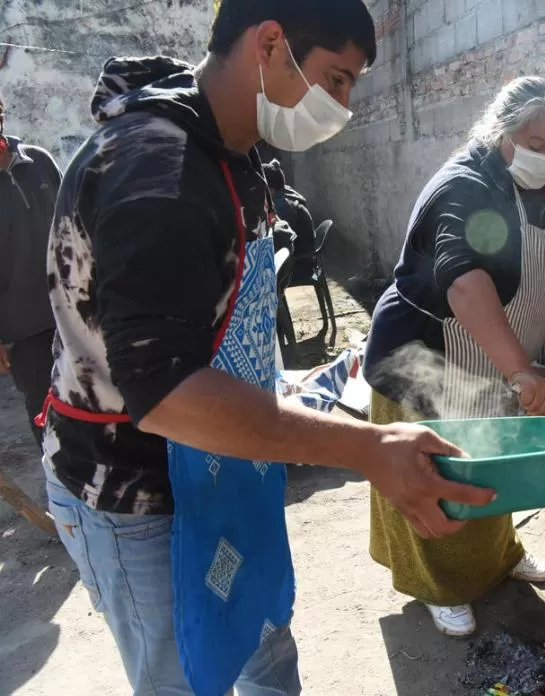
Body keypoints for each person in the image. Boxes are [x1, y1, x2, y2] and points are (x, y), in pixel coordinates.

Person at [38, 1, 492, 694]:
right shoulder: (156, 172)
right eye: (335, 79)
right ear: (272, 43)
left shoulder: (230, 148)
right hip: (142, 498)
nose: (341, 106)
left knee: (261, 646)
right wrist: (366, 447)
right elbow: (164, 394)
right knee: (188, 675)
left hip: (227, 470)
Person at [363, 76, 545, 637]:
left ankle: (501, 557)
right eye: (536, 141)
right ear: (502, 130)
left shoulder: (531, 188)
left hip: (491, 354)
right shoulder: (464, 188)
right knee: (436, 473)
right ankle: (437, 588)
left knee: (494, 465)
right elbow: (465, 286)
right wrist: (521, 371)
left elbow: (526, 271)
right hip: (426, 356)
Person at [0, 92, 61, 448]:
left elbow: (74, 220)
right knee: (45, 413)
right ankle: (59, 488)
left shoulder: (39, 161)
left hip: (71, 309)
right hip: (23, 332)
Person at [264, 158, 317, 282]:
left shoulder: (282, 206)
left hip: (300, 267)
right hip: (302, 259)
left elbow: (279, 242)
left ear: (270, 189)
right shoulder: (286, 195)